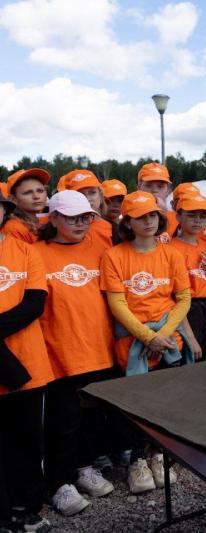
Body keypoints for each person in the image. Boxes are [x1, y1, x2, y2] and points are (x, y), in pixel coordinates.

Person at [99, 191, 193, 493]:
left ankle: (159, 455)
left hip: (167, 342)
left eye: (152, 215)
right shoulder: (114, 256)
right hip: (134, 344)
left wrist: (163, 334)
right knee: (136, 405)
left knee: (166, 402)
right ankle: (137, 462)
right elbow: (117, 304)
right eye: (141, 217)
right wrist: (148, 336)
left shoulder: (171, 254)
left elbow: (183, 298)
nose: (149, 221)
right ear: (128, 222)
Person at [33, 191, 116, 516]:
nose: (80, 223)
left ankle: (84, 468)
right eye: (71, 217)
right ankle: (59, 482)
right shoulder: (36, 253)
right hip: (59, 352)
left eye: (84, 216)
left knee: (92, 416)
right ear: (52, 218)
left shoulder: (101, 248)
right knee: (62, 421)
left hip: (99, 348)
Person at [0, 189, 54, 533]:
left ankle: (28, 506)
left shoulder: (26, 251)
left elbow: (35, 303)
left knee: (27, 439)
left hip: (27, 363)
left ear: (5, 211)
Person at [170, 193, 206, 359]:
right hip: (190, 308)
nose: (197, 220)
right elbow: (175, 296)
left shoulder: (205, 244)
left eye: (202, 216)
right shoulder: (172, 248)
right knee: (192, 354)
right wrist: (189, 335)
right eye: (191, 216)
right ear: (178, 216)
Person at [62, 169, 113, 248]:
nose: (88, 198)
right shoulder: (60, 226)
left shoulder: (112, 229)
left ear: (100, 195)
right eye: (80, 194)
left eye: (92, 192)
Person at [2, 168, 50, 244]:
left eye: (40, 191)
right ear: (13, 199)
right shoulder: (13, 229)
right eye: (27, 192)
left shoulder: (47, 221)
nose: (36, 196)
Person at [137, 162, 178, 242]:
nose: (154, 190)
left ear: (168, 191)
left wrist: (162, 215)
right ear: (139, 188)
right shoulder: (130, 219)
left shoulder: (178, 220)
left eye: (160, 186)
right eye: (148, 185)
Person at [101, 179, 128, 245]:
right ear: (101, 201)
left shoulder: (129, 227)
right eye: (111, 200)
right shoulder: (94, 227)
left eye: (120, 201)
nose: (115, 204)